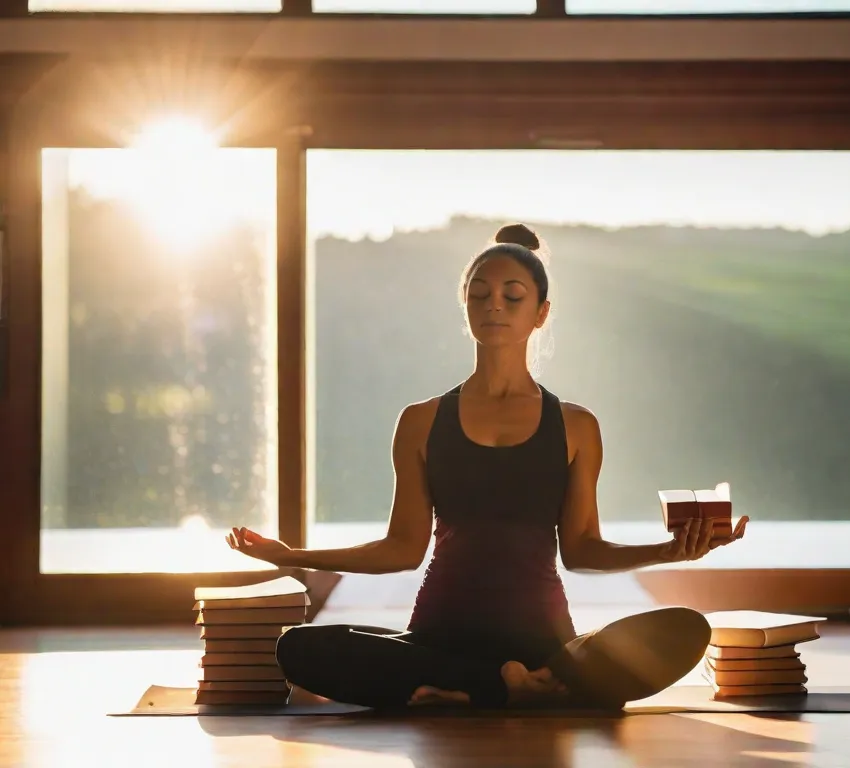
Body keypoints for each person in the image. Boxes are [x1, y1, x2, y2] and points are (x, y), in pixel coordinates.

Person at [226, 223, 749, 711]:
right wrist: (292, 555)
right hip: (438, 637)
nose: (493, 305)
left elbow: (583, 549)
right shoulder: (420, 421)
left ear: (541, 313)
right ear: (465, 306)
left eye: (512, 296)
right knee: (298, 648)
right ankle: (516, 685)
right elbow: (402, 548)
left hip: (542, 640)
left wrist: (667, 551)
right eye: (479, 295)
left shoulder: (576, 426)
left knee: (686, 629)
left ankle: (475, 687)